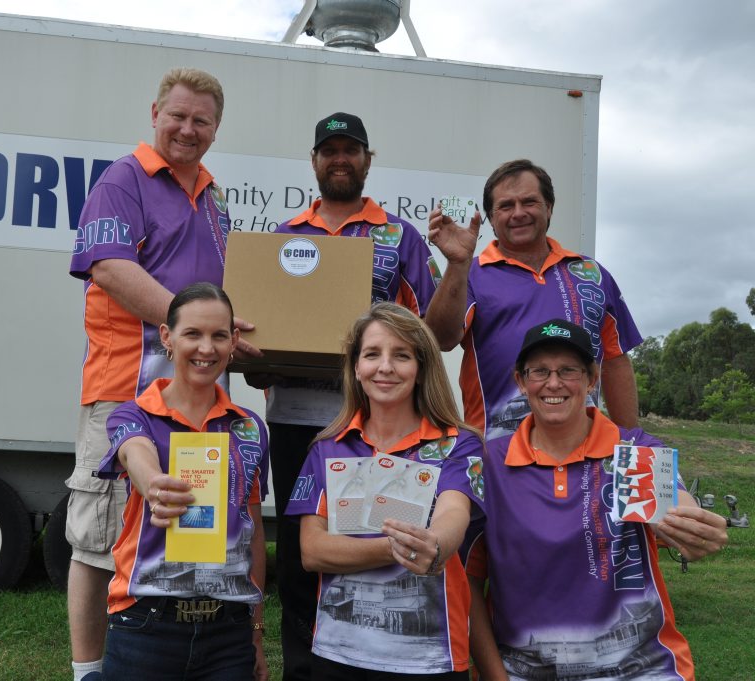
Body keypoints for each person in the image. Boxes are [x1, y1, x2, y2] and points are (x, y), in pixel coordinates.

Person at [65, 67, 257, 681]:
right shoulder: (125, 179)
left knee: (183, 532)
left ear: (215, 130)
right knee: (100, 543)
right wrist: (199, 325)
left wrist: (232, 335)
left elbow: (223, 296)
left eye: (201, 120)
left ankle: (169, 657)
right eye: (178, 115)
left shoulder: (214, 197)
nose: (187, 128)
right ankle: (88, 670)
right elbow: (111, 269)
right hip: (127, 391)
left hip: (198, 401)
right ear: (154, 113)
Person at [261, 112, 448, 681]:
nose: (339, 159)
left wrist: (459, 264)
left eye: (351, 150)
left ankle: (379, 660)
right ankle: (306, 668)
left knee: (377, 531)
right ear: (314, 161)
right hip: (296, 421)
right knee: (299, 555)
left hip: (379, 420)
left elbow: (436, 333)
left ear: (368, 159)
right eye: (329, 150)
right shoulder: (283, 236)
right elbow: (261, 339)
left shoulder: (399, 236)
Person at [465, 319, 728, 680]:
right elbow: (468, 583)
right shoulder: (490, 463)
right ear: (521, 382)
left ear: (591, 379)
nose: (553, 383)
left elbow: (673, 504)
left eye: (568, 370)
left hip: (642, 669)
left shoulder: (631, 450)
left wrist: (690, 526)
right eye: (540, 370)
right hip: (523, 671)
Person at [285, 302, 485, 680]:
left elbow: (453, 516)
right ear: (356, 368)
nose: (386, 367)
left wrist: (436, 545)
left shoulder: (460, 445)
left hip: (431, 660)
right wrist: (403, 547)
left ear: (422, 368)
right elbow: (312, 551)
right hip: (338, 657)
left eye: (402, 355)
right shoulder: (328, 447)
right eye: (372, 354)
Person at [96, 283, 270, 681]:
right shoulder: (133, 415)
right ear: (167, 337)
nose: (206, 349)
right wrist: (154, 483)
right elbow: (134, 453)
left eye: (218, 335)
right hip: (146, 625)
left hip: (229, 632)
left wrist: (256, 633)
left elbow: (254, 531)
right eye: (192, 334)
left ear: (234, 341)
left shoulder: (249, 428)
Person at [426, 159, 642, 440]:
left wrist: (633, 444)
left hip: (583, 455)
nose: (518, 213)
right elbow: (440, 339)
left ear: (549, 207)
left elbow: (615, 362)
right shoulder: (470, 274)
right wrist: (457, 264)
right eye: (505, 206)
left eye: (529, 202)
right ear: (491, 217)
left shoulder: (592, 275)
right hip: (496, 456)